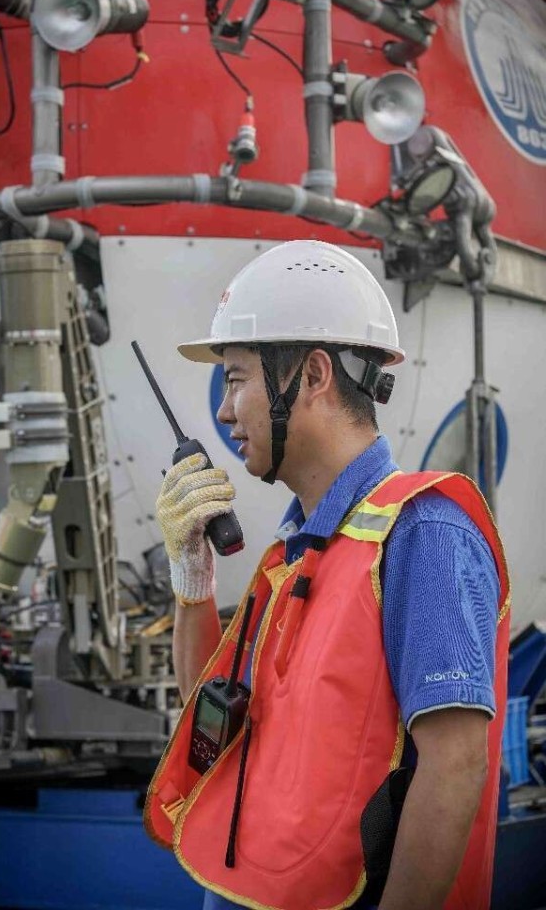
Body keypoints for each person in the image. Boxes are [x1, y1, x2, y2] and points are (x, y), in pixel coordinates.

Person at [144, 240, 510, 910]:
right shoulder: (296, 552)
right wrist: (192, 579)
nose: (224, 411)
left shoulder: (423, 532)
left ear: (312, 374)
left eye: (235, 378)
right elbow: (214, 720)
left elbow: (455, 765)